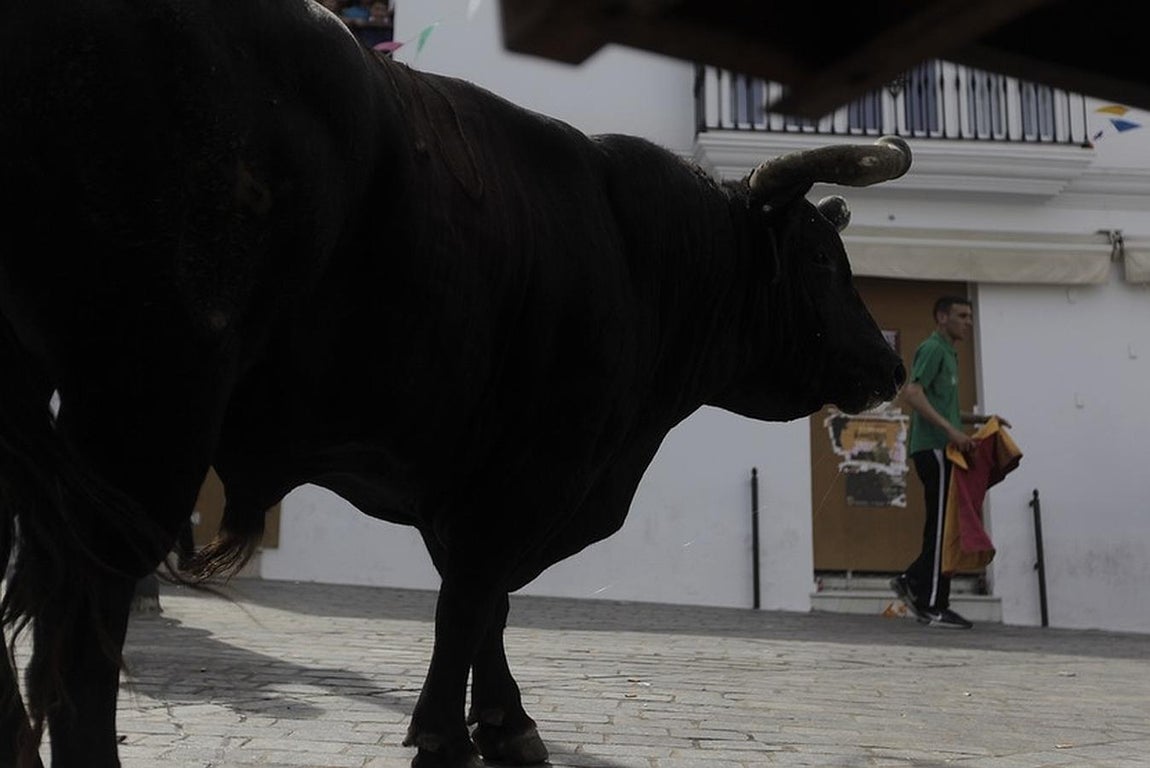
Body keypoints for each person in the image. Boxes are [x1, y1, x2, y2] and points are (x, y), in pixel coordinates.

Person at [890, 295, 1010, 629]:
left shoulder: (950, 354)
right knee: (943, 528)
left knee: (944, 527)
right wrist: (952, 434)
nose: (968, 322)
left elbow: (947, 411)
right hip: (933, 450)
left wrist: (984, 420)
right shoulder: (933, 349)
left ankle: (917, 584)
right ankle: (929, 602)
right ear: (942, 317)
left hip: (943, 448)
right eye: (962, 315)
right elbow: (913, 394)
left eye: (971, 316)